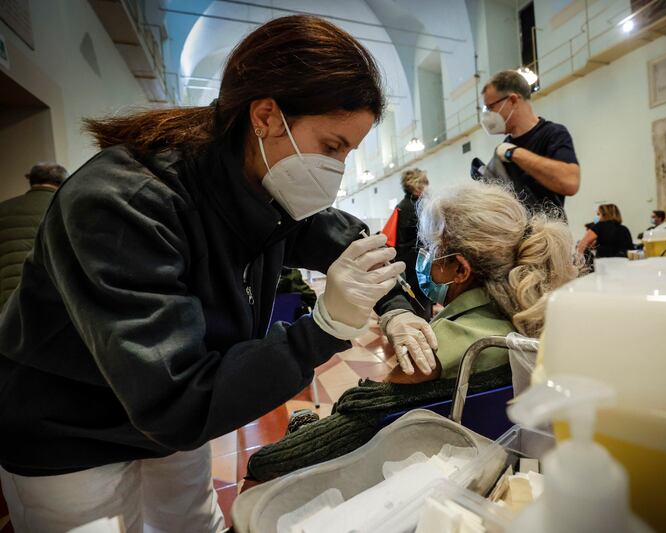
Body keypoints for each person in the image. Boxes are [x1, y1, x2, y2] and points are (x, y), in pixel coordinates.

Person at [0, 16, 438, 533]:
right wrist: (322, 330)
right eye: (332, 145)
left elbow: (347, 238)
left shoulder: (264, 185)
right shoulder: (125, 203)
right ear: (267, 116)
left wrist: (396, 309)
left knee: (194, 524)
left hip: (172, 426)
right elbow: (176, 398)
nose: (338, 167)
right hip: (71, 435)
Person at [246, 181, 580, 481]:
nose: (423, 258)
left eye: (431, 249)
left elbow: (357, 427)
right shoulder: (535, 325)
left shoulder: (431, 351)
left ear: (459, 269)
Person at [479, 70, 580, 217]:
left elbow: (570, 182)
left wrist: (513, 153)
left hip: (549, 236)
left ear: (513, 100)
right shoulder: (503, 148)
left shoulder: (553, 134)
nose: (487, 115)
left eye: (490, 107)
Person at [0, 162, 67, 309]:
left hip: (9, 300)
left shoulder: (3, 209)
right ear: (61, 183)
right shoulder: (63, 207)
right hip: (53, 298)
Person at [393, 168, 433, 320]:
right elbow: (425, 235)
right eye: (422, 184)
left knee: (416, 302)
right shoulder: (413, 206)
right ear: (414, 186)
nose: (425, 188)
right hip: (416, 264)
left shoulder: (403, 205)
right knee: (420, 305)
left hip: (408, 263)